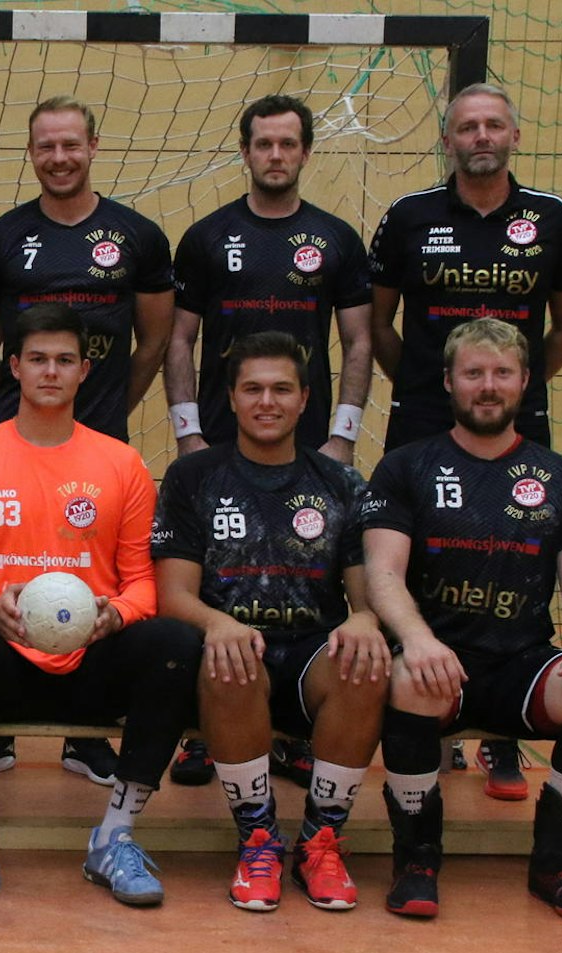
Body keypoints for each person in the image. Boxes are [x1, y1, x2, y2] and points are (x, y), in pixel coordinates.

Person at [0, 303, 201, 908]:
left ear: (84, 371)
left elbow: (142, 585)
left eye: (65, 360)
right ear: (14, 367)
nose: (51, 371)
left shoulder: (121, 463)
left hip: (90, 663)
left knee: (175, 643)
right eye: (38, 359)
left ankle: (115, 835)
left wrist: (115, 616)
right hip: (0, 662)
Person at [368, 82, 562, 795]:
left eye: (494, 125)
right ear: (448, 140)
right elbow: (377, 321)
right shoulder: (408, 216)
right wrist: (424, 384)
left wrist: (512, 388)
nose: (482, 137)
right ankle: (430, 709)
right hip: (424, 416)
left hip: (513, 422)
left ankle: (503, 732)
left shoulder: (552, 218)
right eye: (468, 127)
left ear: (514, 136)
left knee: (515, 551)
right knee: (419, 556)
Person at [360, 317, 562, 922]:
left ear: (525, 381)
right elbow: (382, 574)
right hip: (439, 656)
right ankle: (417, 859)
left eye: (502, 373)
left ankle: (555, 864)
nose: (488, 386)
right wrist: (417, 640)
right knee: (412, 680)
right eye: (474, 373)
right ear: (448, 381)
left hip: (522, 661)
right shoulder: (405, 466)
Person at [164, 93, 374, 787]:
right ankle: (209, 726)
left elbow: (358, 340)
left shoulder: (336, 238)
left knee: (298, 573)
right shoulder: (206, 236)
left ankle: (293, 727)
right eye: (264, 143)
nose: (276, 155)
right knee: (218, 573)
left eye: (288, 143)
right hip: (220, 439)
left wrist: (343, 436)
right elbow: (180, 339)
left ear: (305, 151)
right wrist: (188, 433)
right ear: (246, 151)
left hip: (307, 443)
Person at [0, 95, 174, 782]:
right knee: (10, 566)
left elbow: (154, 339)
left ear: (93, 146)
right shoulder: (0, 238)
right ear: (32, 153)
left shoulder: (138, 236)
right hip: (18, 436)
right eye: (46, 146)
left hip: (100, 433)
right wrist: (13, 400)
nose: (59, 157)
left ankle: (88, 736)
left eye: (71, 144)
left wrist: (108, 404)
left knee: (95, 573)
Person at [153, 331, 389, 912]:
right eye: (253, 389)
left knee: (364, 665)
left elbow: (366, 598)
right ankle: (257, 839)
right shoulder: (191, 477)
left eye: (282, 389)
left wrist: (366, 620)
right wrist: (217, 624)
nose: (267, 402)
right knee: (229, 661)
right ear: (231, 398)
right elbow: (172, 596)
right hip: (230, 658)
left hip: (312, 656)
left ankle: (320, 841)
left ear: (305, 399)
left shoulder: (342, 483)